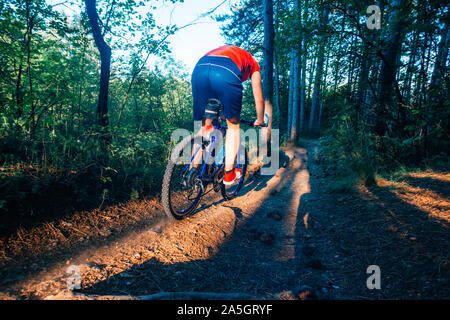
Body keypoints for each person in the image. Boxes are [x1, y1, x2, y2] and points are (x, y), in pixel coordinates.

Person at [191, 45, 265, 185]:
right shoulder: (253, 64)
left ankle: (191, 173)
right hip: (225, 72)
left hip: (199, 69)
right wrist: (260, 119)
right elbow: (259, 98)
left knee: (204, 127)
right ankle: (229, 174)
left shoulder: (228, 51)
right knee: (233, 127)